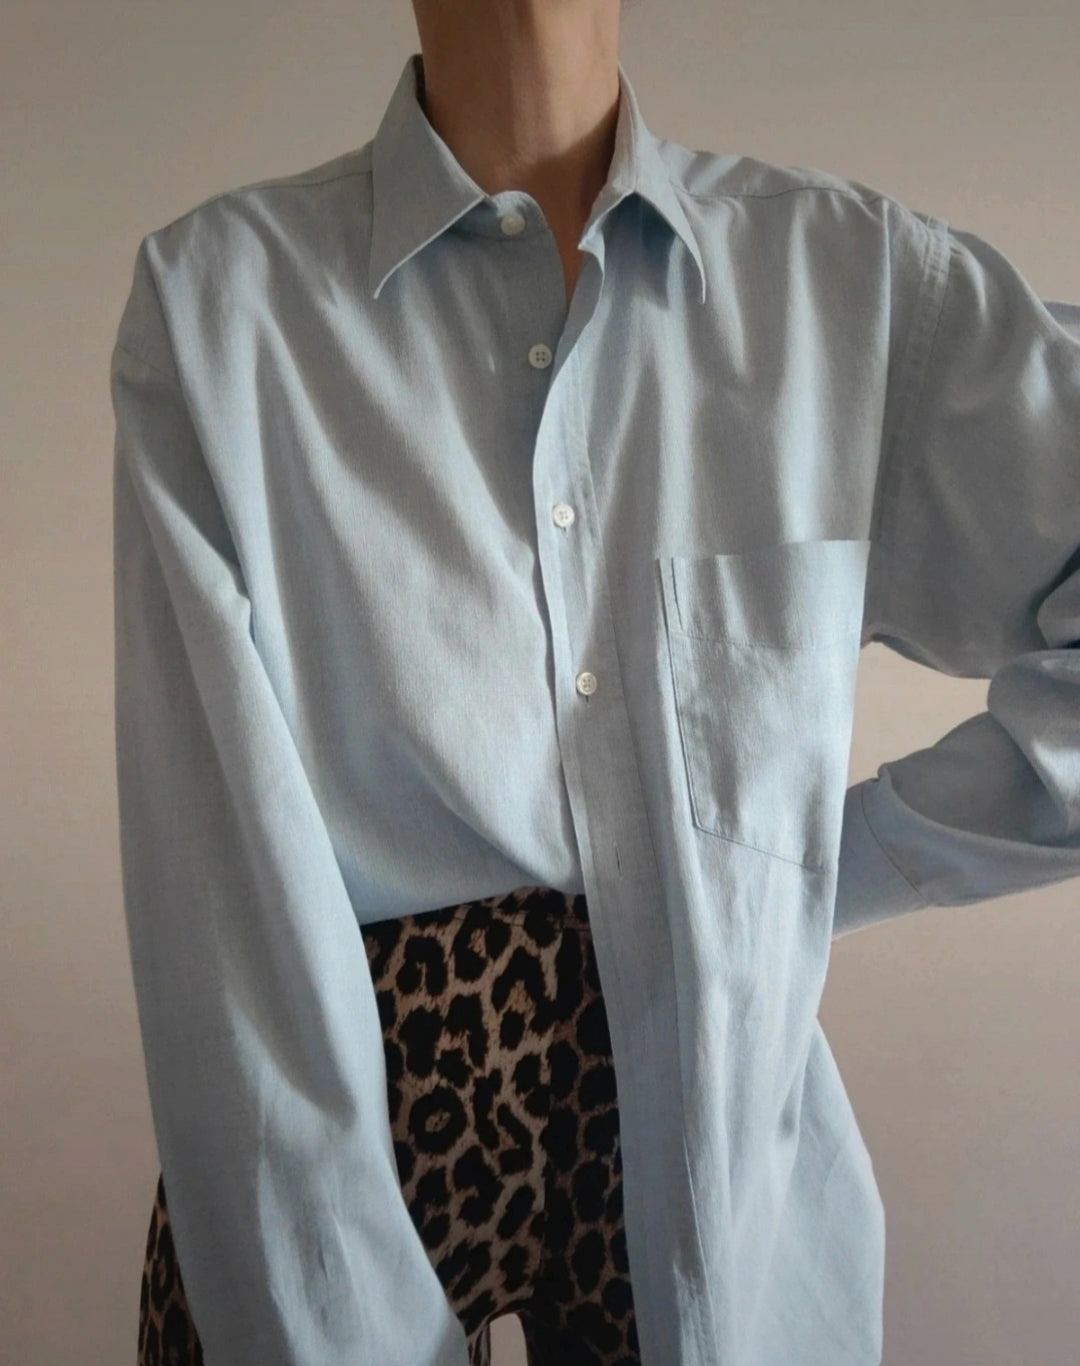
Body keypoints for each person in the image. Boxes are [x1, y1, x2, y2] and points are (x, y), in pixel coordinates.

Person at [112, 2, 1080, 1365]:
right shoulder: (224, 308)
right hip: (353, 1123)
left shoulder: (845, 288)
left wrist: (831, 863)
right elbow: (218, 892)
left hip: (722, 1165)